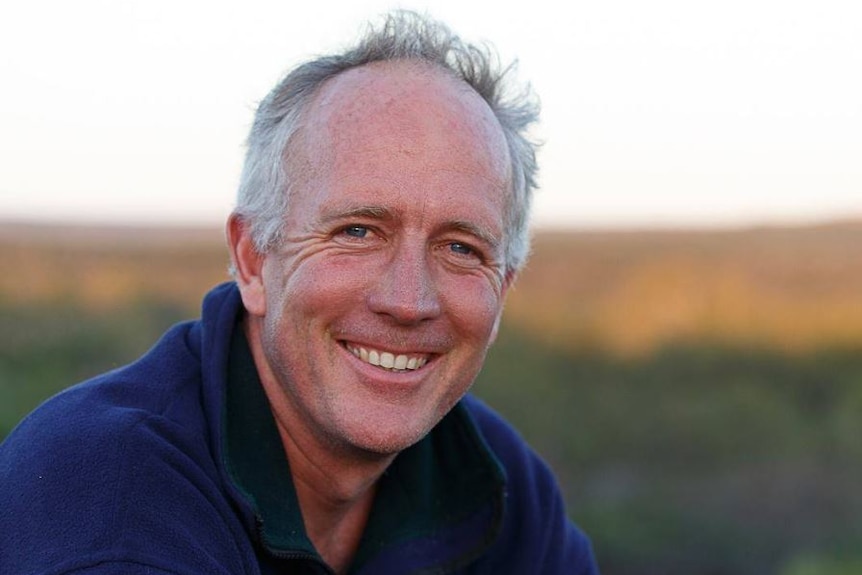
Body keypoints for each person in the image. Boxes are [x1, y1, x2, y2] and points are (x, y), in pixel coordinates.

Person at [0, 11, 599, 575]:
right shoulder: (106, 500)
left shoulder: (492, 478)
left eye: (461, 248)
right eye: (358, 231)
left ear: (503, 292)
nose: (409, 300)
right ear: (253, 258)